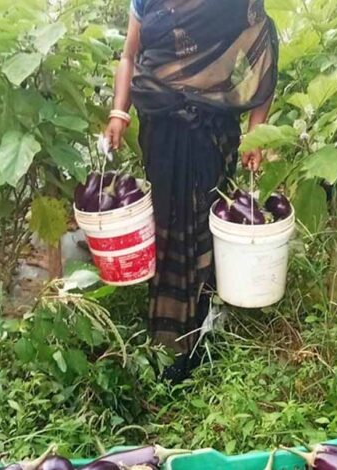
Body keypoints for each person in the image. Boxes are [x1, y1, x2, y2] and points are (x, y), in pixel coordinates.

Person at [105, 0, 278, 383]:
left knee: (205, 225)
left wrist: (257, 133)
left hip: (211, 131)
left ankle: (205, 333)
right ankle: (167, 335)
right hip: (160, 128)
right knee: (166, 228)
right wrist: (119, 111)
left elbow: (263, 58)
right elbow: (129, 56)